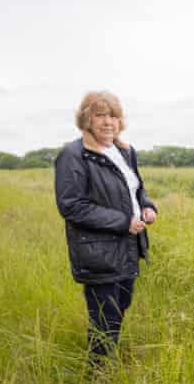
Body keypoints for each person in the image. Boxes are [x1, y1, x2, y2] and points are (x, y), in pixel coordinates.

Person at [54, 91, 158, 366]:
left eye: (113, 115)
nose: (108, 121)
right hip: (98, 251)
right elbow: (72, 206)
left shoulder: (125, 151)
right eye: (100, 115)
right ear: (86, 119)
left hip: (128, 247)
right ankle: (98, 378)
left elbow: (137, 190)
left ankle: (104, 363)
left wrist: (147, 207)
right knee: (105, 318)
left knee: (120, 307)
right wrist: (124, 222)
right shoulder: (74, 155)